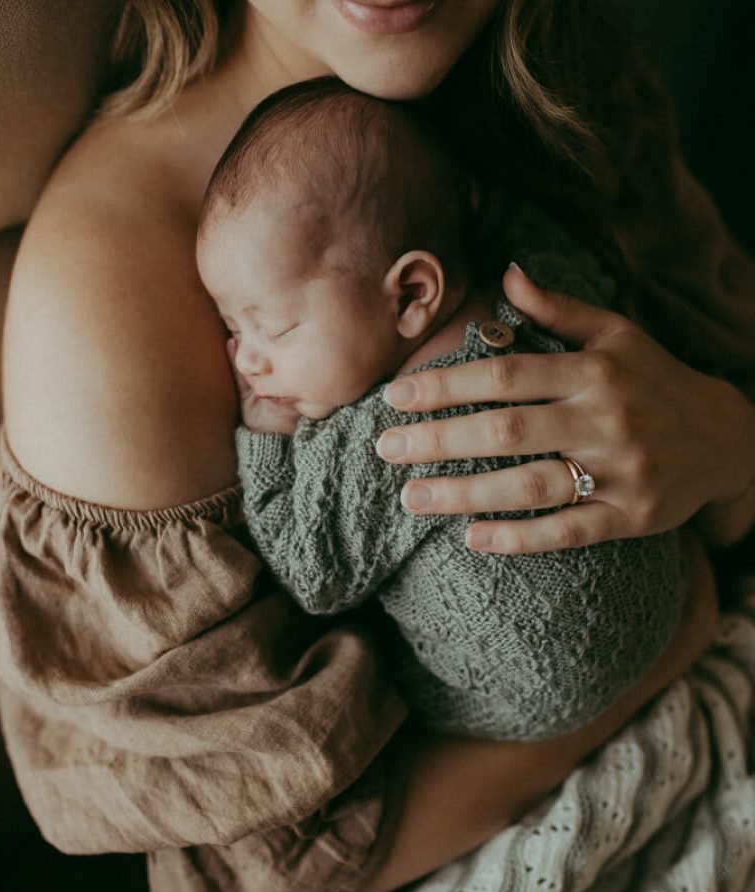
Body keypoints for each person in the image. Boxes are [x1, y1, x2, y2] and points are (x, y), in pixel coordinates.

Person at [0, 1, 752, 892]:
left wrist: (726, 447)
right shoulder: (111, 311)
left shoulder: (555, 80)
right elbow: (277, 866)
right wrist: (676, 625)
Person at [197, 76, 686, 742]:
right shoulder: (541, 282)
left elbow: (311, 573)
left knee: (373, 660)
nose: (246, 360)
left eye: (274, 327)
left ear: (411, 294)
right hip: (672, 608)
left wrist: (267, 434)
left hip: (508, 709)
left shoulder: (389, 437)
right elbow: (566, 243)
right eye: (233, 328)